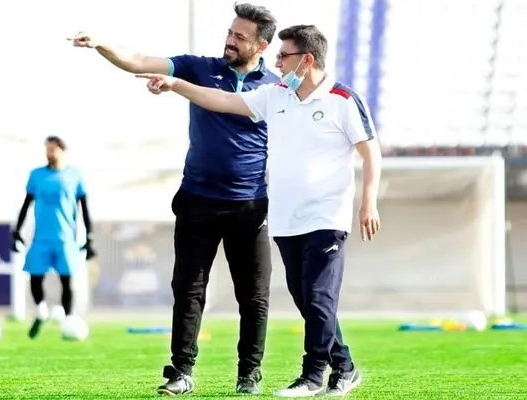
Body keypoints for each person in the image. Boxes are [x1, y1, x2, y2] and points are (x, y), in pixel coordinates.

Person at [135, 24, 382, 397]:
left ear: (307, 60)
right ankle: (344, 366)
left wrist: (368, 202)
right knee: (306, 298)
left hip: (326, 216)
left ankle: (313, 376)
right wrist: (176, 85)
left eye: (283, 56)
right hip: (286, 218)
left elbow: (370, 151)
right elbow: (221, 100)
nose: (277, 63)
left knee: (318, 296)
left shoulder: (342, 99)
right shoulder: (276, 95)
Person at [68, 3, 279, 396]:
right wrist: (100, 44)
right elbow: (137, 61)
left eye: (240, 37)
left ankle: (249, 373)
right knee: (188, 290)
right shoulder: (198, 68)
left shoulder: (276, 88)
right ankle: (181, 372)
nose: (230, 41)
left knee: (254, 296)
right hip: (197, 200)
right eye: (229, 32)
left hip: (250, 207)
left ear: (261, 46)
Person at [11, 136, 96, 339]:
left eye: (53, 149)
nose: (49, 153)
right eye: (47, 149)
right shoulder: (37, 175)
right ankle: (41, 311)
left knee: (67, 280)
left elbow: (84, 208)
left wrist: (89, 237)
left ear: (62, 150)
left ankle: (69, 320)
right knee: (34, 276)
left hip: (66, 239)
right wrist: (17, 231)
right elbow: (27, 203)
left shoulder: (74, 175)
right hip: (41, 237)